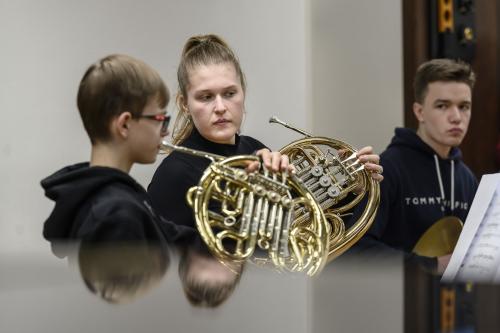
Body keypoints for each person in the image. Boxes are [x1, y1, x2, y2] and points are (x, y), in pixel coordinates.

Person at [148, 34, 383, 234]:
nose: (220, 107)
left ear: (243, 92)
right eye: (206, 97)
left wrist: (350, 186)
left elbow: (306, 222)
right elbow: (167, 265)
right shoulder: (173, 175)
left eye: (229, 93)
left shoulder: (254, 149)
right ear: (185, 103)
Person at [41, 54, 180, 257]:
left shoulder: (106, 195)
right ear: (124, 124)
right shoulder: (118, 216)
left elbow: (173, 235)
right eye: (161, 119)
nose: (165, 131)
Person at [350, 58, 478, 275]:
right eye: (442, 106)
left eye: (464, 107)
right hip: (396, 304)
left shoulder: (467, 178)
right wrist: (433, 265)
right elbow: (356, 250)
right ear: (419, 112)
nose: (456, 117)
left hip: (452, 304)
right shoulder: (387, 168)